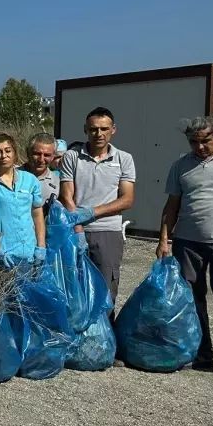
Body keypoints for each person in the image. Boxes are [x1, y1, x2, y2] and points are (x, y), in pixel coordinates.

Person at [157, 116, 213, 370]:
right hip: (188, 243)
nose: (200, 147)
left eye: (206, 141)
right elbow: (172, 205)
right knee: (191, 298)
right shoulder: (180, 166)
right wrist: (164, 239)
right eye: (194, 142)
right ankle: (202, 355)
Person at [59, 106, 136, 301]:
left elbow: (127, 200)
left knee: (105, 290)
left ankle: (105, 331)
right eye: (94, 129)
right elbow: (67, 195)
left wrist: (92, 212)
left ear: (113, 130)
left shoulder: (124, 159)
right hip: (75, 232)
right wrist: (77, 227)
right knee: (75, 288)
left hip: (108, 232)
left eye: (104, 129)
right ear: (85, 129)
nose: (99, 134)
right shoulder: (72, 156)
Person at [0, 133, 46, 265]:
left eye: (8, 151)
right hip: (2, 254)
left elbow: (37, 214)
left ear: (15, 154)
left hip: (29, 251)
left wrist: (41, 245)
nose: (4, 156)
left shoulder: (30, 179)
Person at [23, 133, 61, 209]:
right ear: (28, 153)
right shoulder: (13, 176)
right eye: (37, 154)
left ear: (53, 157)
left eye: (47, 155)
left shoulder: (57, 182)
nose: (41, 159)